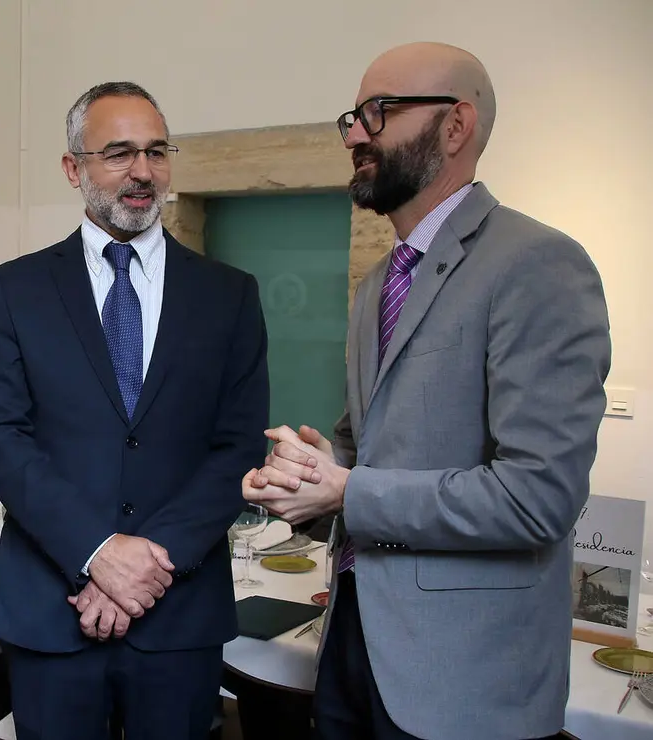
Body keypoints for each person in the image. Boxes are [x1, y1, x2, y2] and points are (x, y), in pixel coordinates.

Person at [244, 42, 610, 740]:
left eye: (379, 112)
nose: (356, 134)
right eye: (352, 117)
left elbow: (539, 498)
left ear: (455, 126)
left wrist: (346, 490)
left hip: (462, 685)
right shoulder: (378, 285)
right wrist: (309, 476)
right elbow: (366, 447)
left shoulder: (538, 265)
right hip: (352, 650)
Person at [0, 81, 269, 739]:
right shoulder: (16, 290)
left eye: (156, 152)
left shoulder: (230, 296)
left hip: (179, 617)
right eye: (119, 153)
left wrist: (145, 563)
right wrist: (96, 551)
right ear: (74, 168)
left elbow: (239, 447)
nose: (142, 172)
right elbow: (0, 436)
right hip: (52, 612)